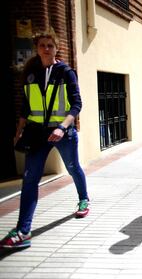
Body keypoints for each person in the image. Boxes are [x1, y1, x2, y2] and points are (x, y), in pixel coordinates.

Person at [0, 31, 90, 249]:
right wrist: (19, 130)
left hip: (63, 133)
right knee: (30, 180)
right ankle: (23, 230)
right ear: (37, 48)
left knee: (73, 167)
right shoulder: (31, 72)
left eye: (50, 45)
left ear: (56, 48)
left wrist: (62, 127)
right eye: (42, 45)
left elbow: (77, 105)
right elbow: (26, 106)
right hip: (37, 135)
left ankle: (84, 198)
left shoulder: (66, 72)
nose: (46, 48)